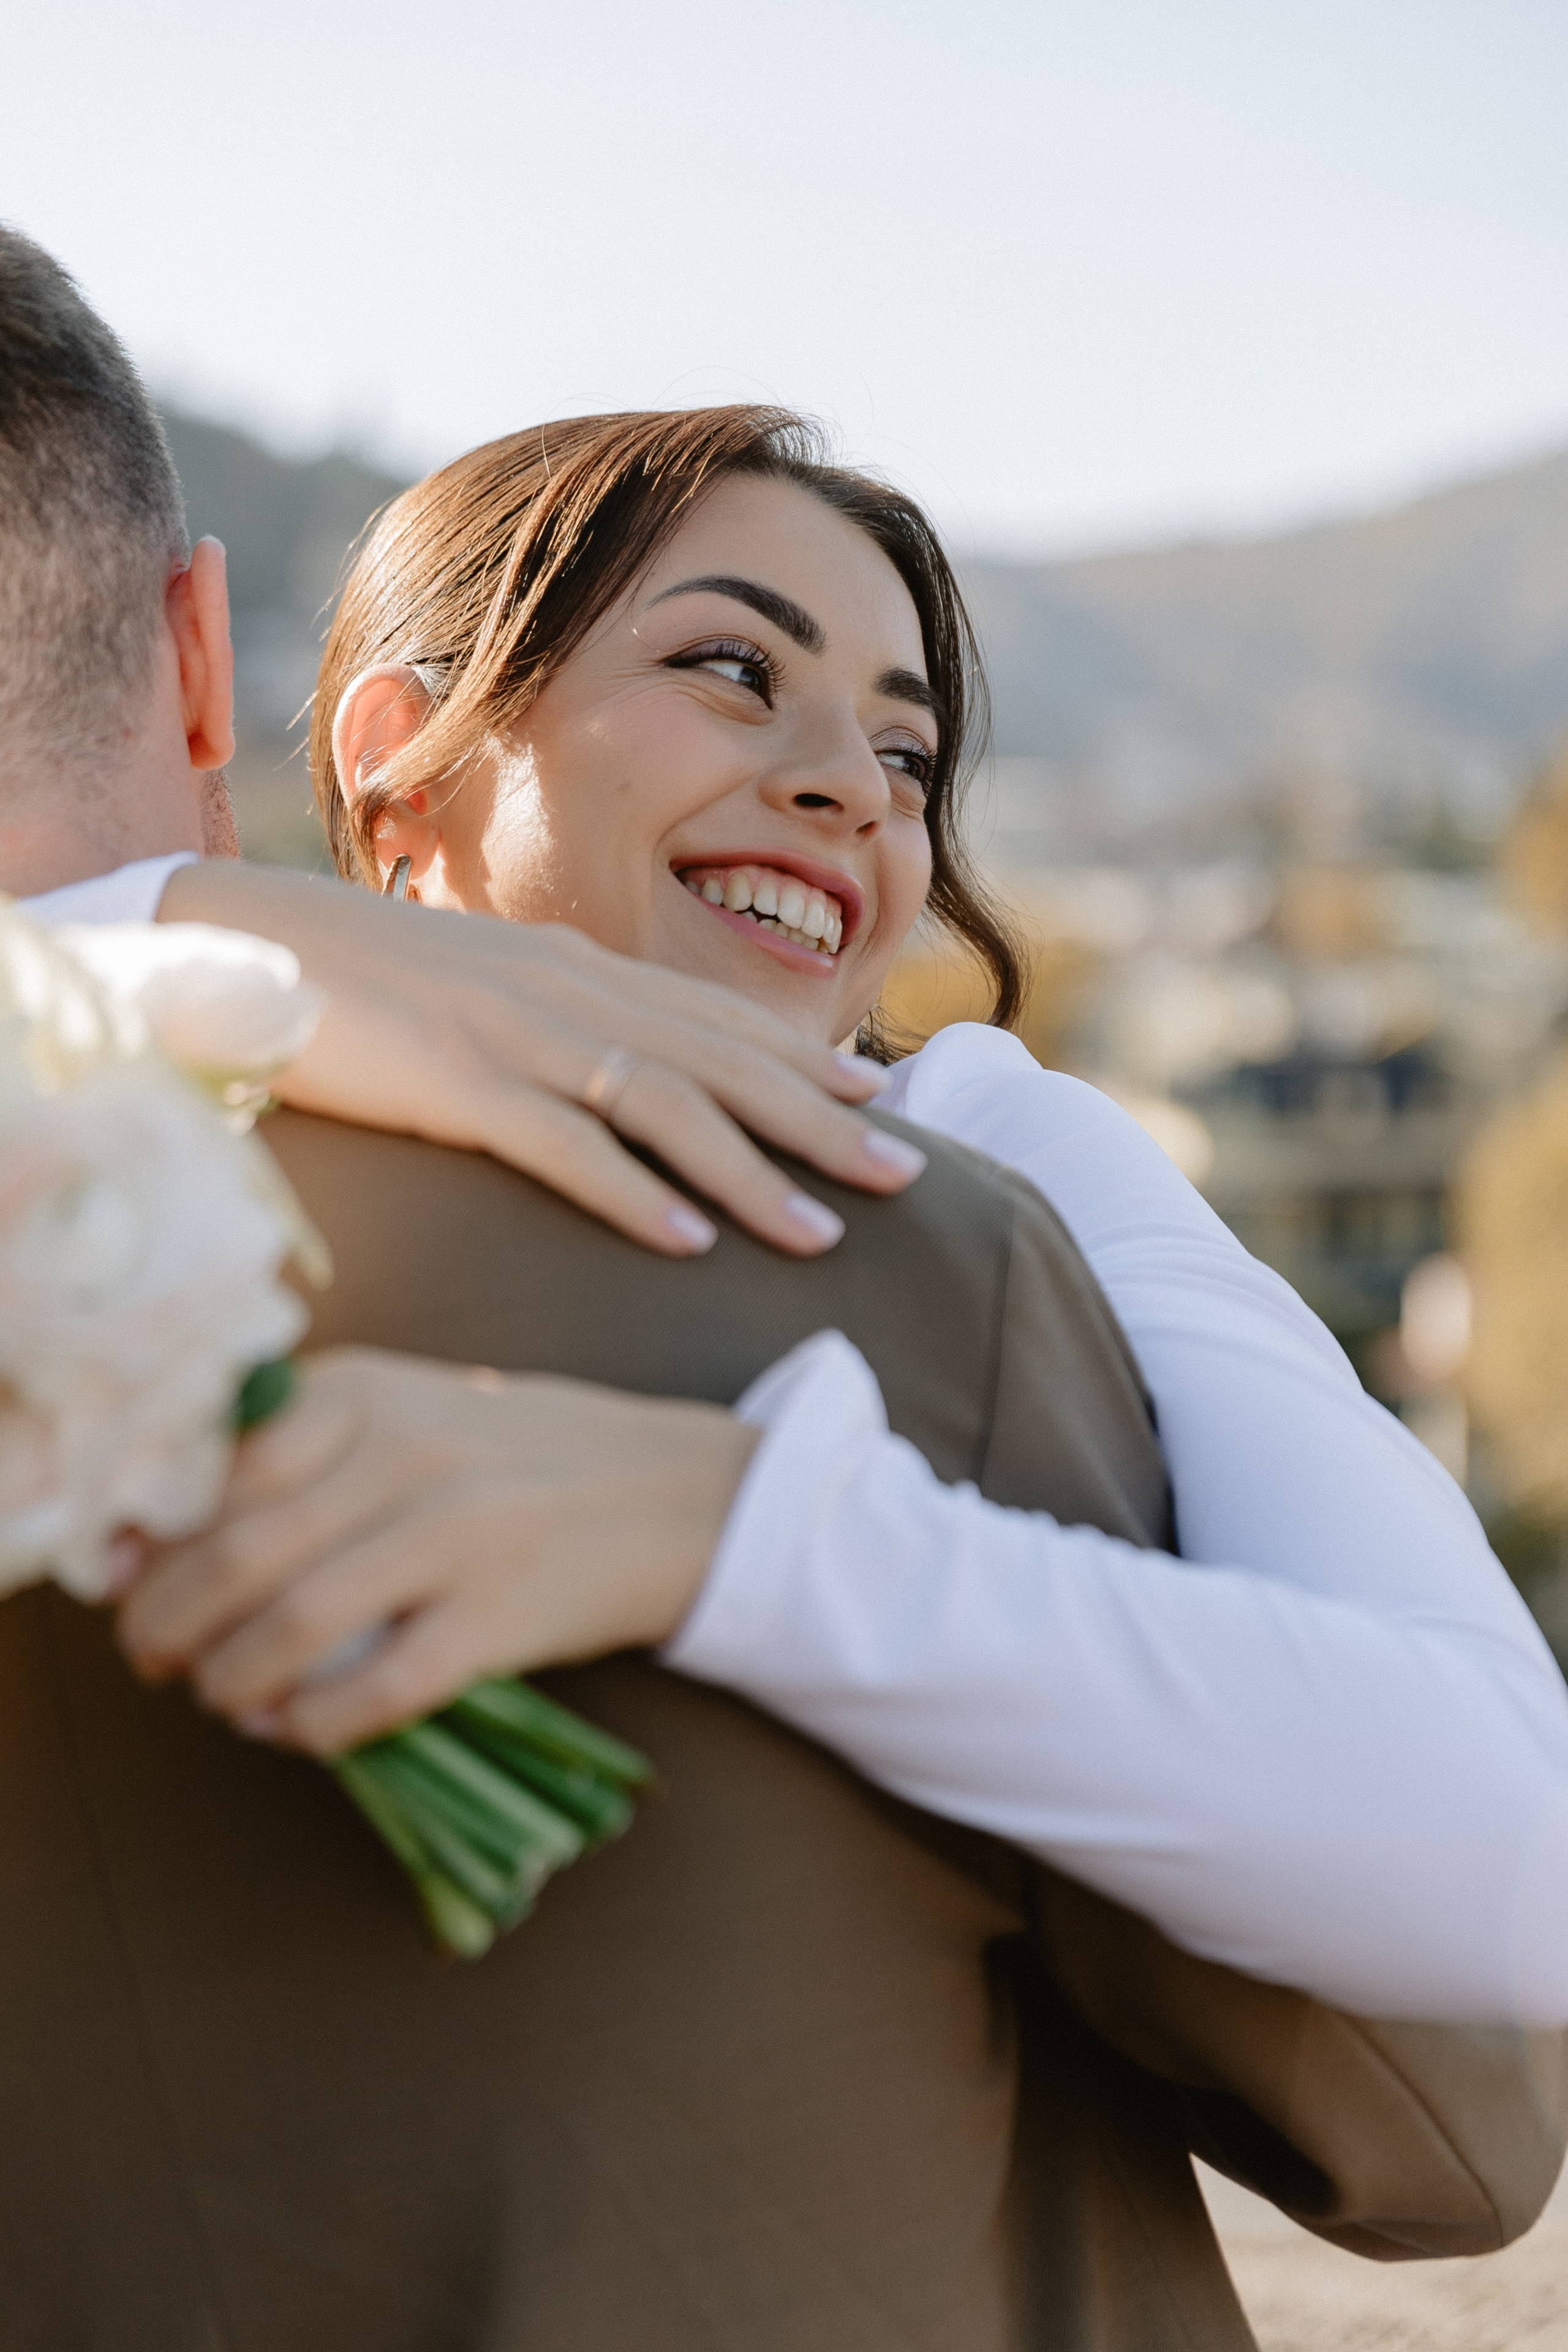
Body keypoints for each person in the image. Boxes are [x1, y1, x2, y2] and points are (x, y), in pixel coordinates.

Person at [4, 226, 1566, 2350]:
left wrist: (738, 1529)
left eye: (907, 751)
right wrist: (134, 925)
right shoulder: (116, 1099)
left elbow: (1511, 1857)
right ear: (399, 758)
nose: (854, 784)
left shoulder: (995, 1156)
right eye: (733, 671)